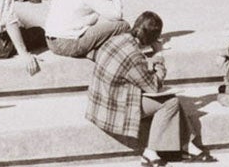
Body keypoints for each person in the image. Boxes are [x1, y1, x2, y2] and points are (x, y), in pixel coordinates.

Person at [86, 10, 209, 166]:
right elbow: (153, 86)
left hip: (101, 99)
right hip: (113, 109)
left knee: (171, 101)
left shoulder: (118, 39)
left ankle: (187, 145)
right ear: (152, 38)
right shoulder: (134, 56)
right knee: (170, 103)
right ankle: (150, 154)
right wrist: (159, 56)